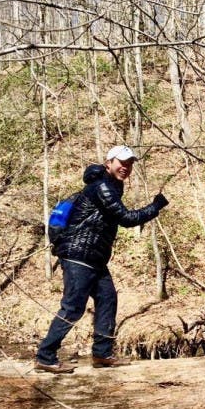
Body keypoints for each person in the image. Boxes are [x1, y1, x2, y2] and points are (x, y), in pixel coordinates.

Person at [34, 145, 169, 373]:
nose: (126, 167)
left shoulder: (112, 186)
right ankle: (45, 356)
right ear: (109, 163)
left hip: (94, 258)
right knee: (73, 307)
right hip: (78, 255)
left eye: (130, 164)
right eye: (121, 162)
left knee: (108, 299)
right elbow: (126, 218)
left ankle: (102, 354)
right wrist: (155, 207)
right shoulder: (102, 187)